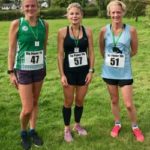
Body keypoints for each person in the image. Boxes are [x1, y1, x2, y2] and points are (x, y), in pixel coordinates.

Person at [99, 0, 144, 142]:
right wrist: (110, 59)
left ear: (123, 12)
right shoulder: (104, 30)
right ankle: (117, 123)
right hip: (109, 72)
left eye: (118, 12)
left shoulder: (131, 30)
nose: (116, 15)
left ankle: (135, 126)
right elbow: (102, 50)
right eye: (113, 12)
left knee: (129, 104)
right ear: (109, 14)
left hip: (125, 72)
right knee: (114, 100)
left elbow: (134, 50)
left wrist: (123, 58)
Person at [8, 0, 49, 149]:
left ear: (37, 7)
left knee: (35, 102)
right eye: (27, 6)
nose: (30, 8)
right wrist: (11, 72)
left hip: (39, 69)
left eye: (33, 5)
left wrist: (44, 64)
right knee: (27, 107)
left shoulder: (44, 24)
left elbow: (44, 46)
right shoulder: (17, 24)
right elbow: (11, 50)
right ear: (22, 8)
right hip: (23, 70)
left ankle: (32, 130)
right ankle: (23, 132)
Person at [57, 2, 94, 142]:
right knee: (68, 101)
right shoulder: (62, 32)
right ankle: (66, 128)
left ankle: (77, 125)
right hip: (69, 72)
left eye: (77, 13)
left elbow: (91, 53)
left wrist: (90, 71)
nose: (74, 16)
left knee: (79, 101)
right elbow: (60, 55)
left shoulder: (88, 31)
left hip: (84, 72)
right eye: (71, 14)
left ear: (82, 15)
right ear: (68, 15)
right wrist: (62, 75)